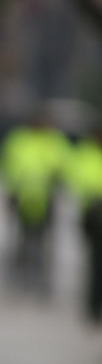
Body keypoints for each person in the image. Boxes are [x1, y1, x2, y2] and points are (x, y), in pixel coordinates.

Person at [0, 111, 70, 296]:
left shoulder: (55, 141)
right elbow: (6, 164)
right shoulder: (19, 139)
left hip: (46, 198)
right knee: (22, 239)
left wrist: (60, 180)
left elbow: (66, 167)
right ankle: (20, 276)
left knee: (43, 241)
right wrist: (8, 191)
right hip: (22, 196)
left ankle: (41, 279)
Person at [65, 124, 102, 325]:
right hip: (93, 213)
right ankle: (93, 307)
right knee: (95, 264)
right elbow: (75, 179)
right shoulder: (84, 154)